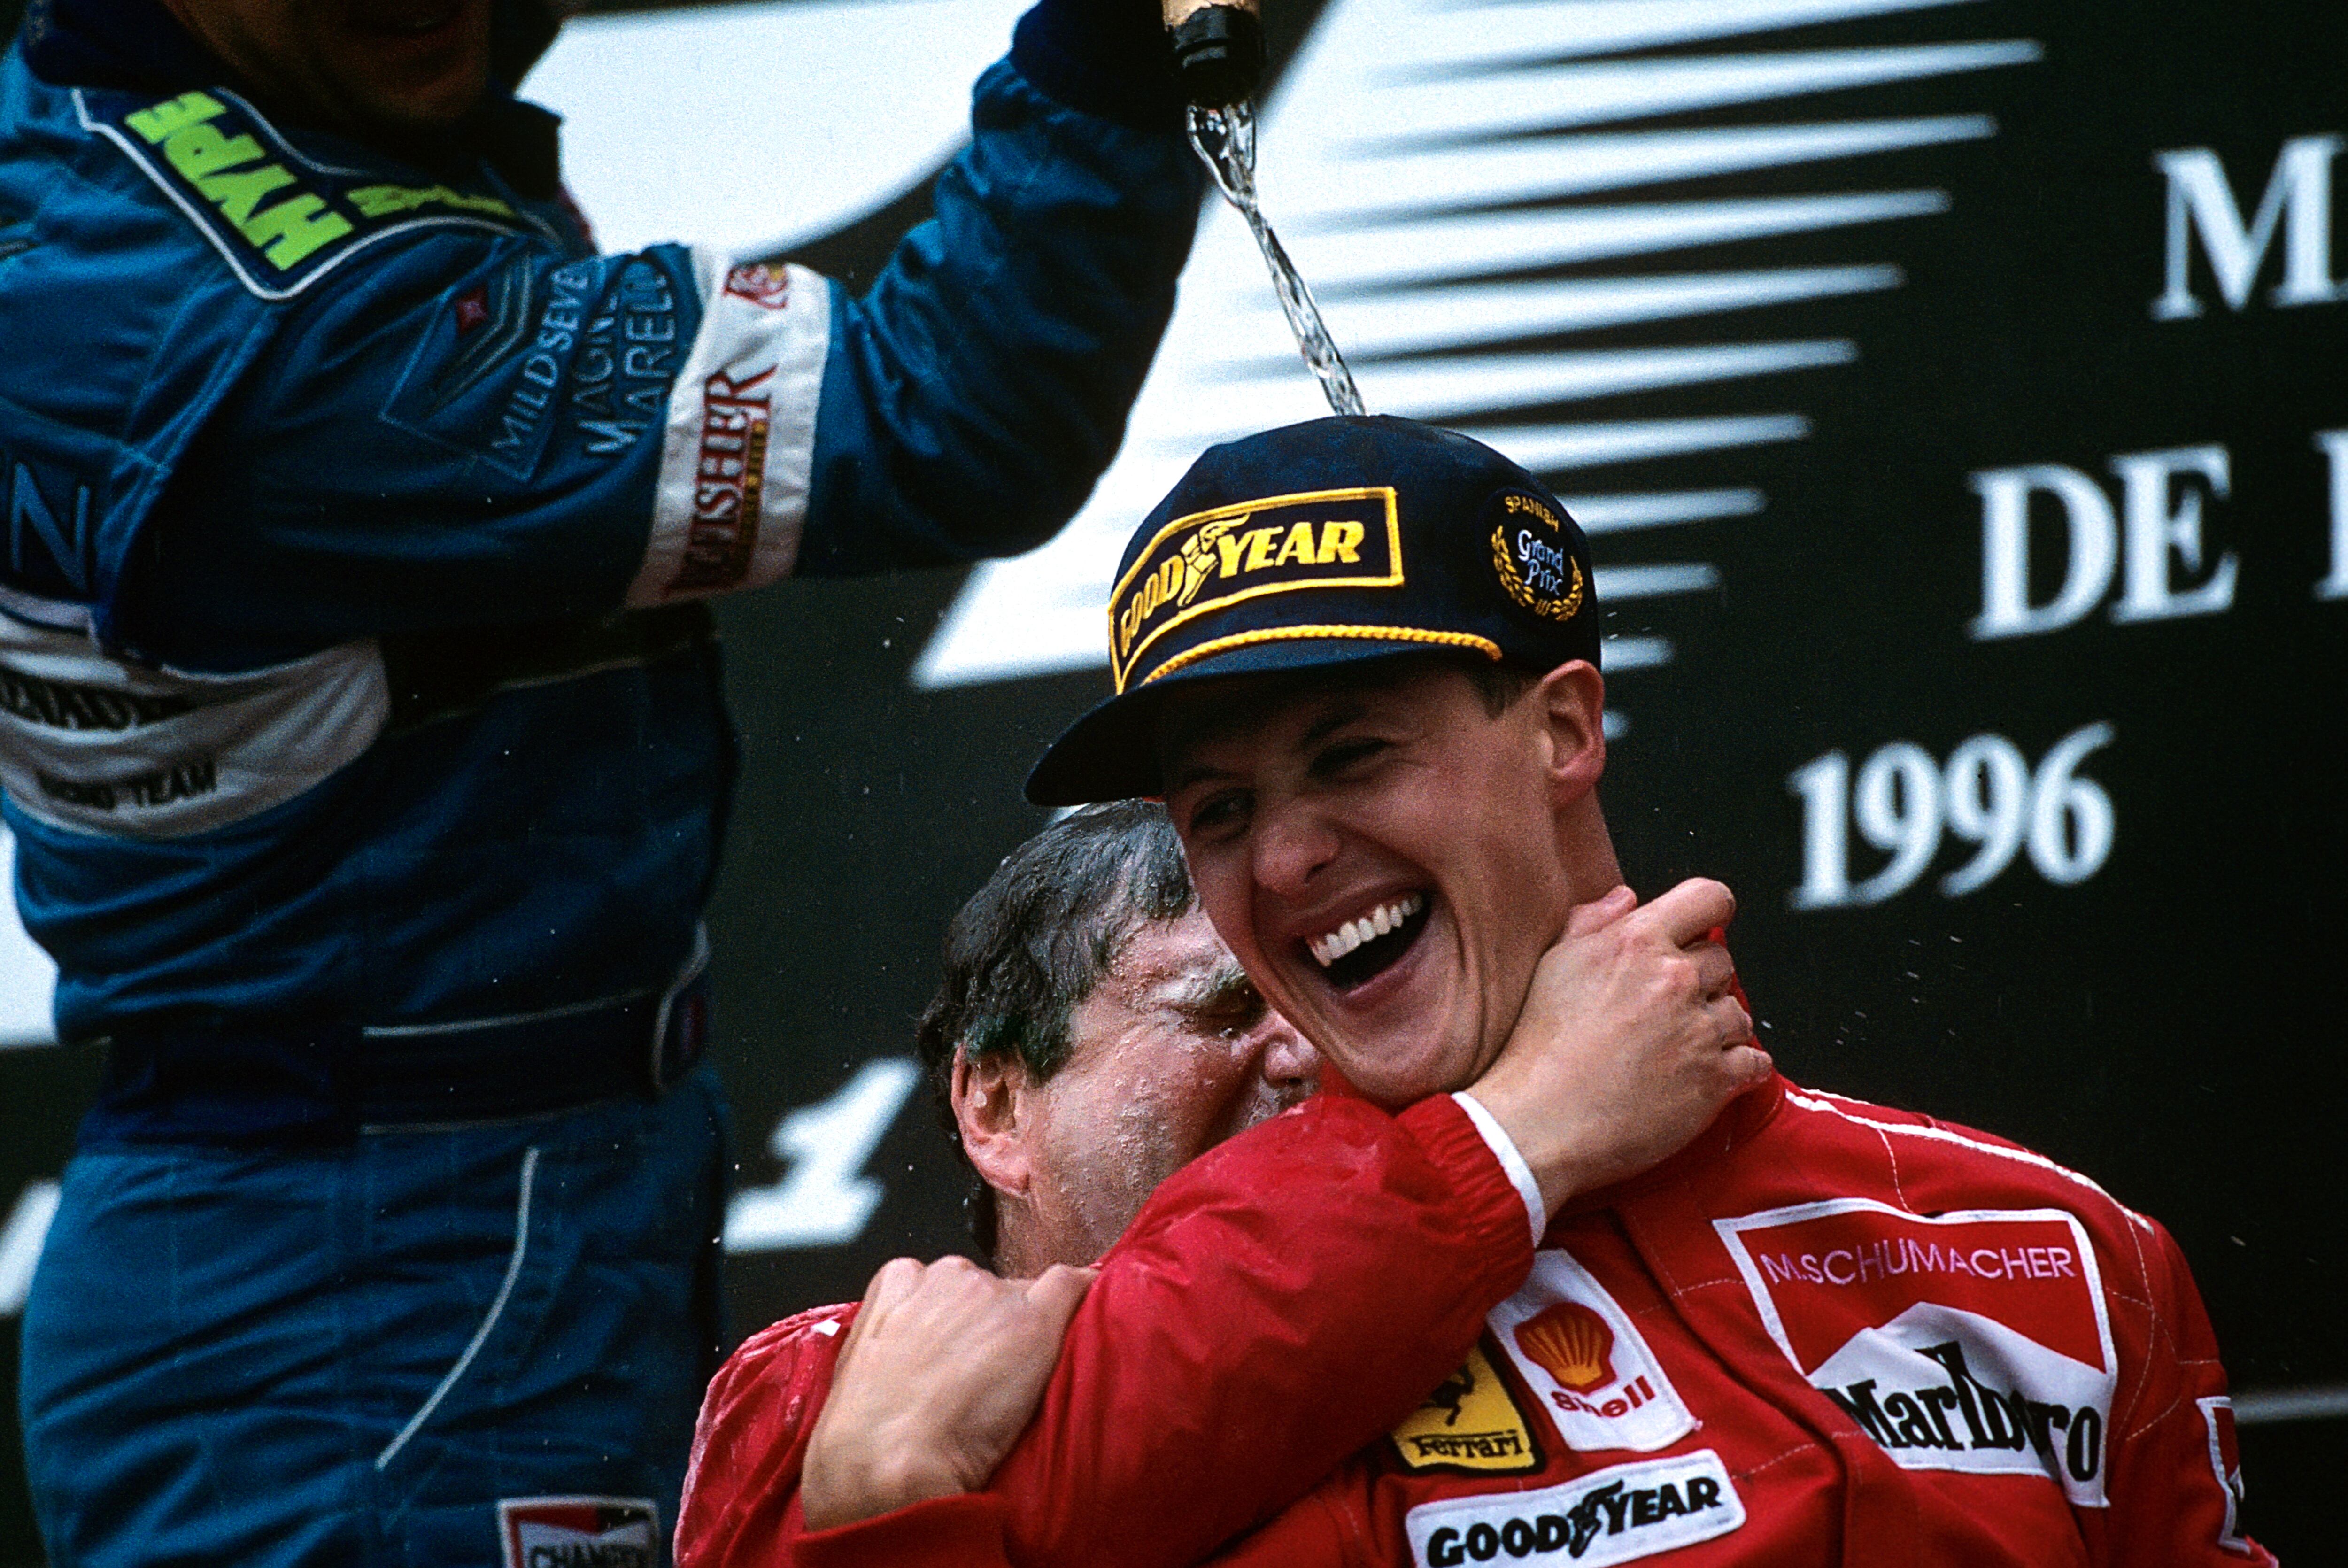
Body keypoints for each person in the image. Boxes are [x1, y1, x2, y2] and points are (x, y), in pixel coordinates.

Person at [0, 0, 1210, 1560]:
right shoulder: (278, 341)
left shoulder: (120, 96)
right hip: (375, 1308)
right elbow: (955, 404)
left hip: (389, 1213)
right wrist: (1110, 42)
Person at [1017, 415, 2269, 1564]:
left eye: (1354, 752)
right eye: (1221, 809)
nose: (1285, 857)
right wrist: (1516, 1135)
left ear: (1563, 730)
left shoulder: (2054, 1250)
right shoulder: (1191, 1316)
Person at [677, 771, 1771, 1556]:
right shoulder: (831, 1383)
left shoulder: (1511, 1292)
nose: (1303, 1046)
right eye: (1223, 1006)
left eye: (1317, 989)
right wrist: (1521, 1123)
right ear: (997, 1102)